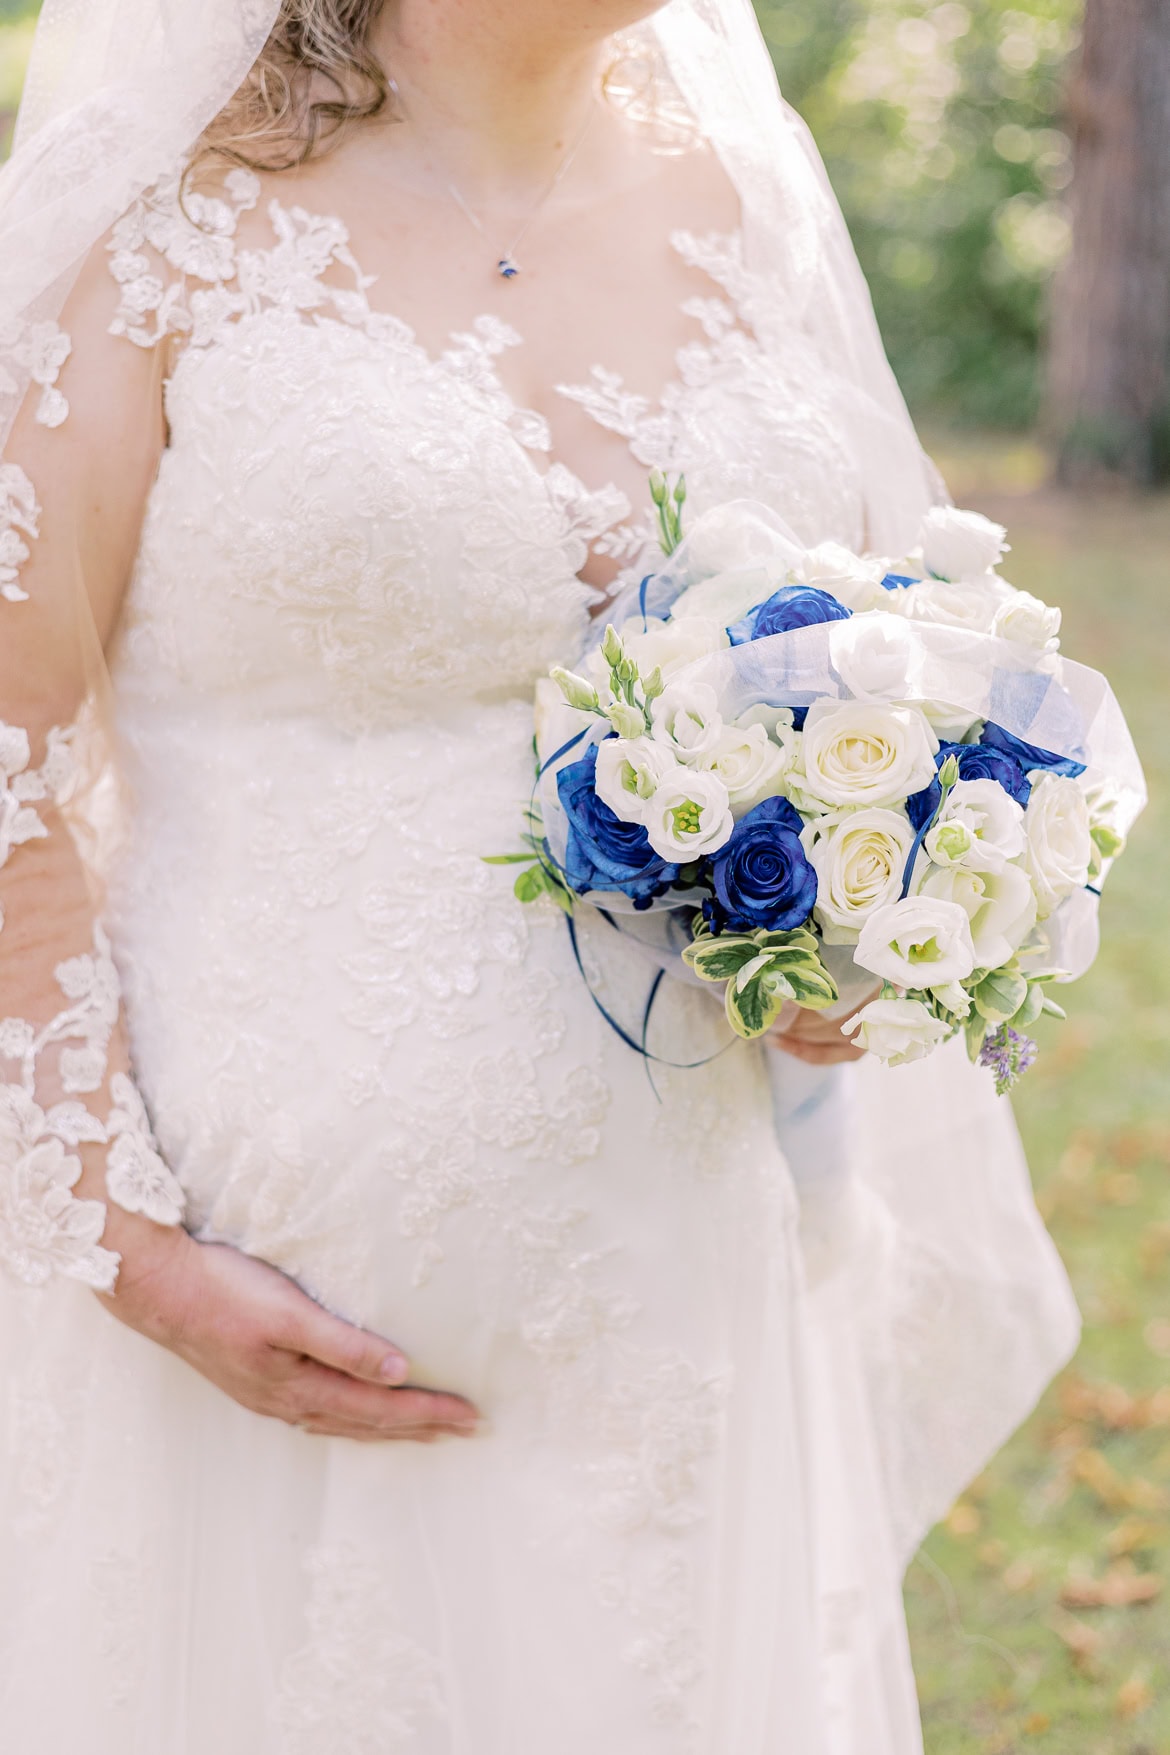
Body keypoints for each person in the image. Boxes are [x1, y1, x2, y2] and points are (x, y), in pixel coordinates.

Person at [0, 2, 1081, 1749]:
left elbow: (862, 651)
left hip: (673, 1266)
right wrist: (119, 1241)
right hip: (257, 1290)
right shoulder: (160, 222)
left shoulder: (739, 191)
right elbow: (9, 765)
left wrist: (839, 923)